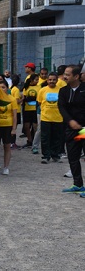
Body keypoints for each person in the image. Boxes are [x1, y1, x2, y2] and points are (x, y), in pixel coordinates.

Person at [58, 65, 85, 195]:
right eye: (64, 74)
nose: (65, 76)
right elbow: (62, 108)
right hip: (71, 128)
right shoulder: (63, 91)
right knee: (73, 157)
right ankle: (78, 184)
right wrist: (70, 121)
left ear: (76, 76)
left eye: (68, 74)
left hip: (84, 129)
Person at [0, 80, 18, 175]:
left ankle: (6, 167)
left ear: (7, 88)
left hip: (7, 126)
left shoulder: (12, 99)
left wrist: (14, 128)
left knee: (7, 147)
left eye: (3, 87)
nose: (2, 89)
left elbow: (15, 115)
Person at [37, 72, 63, 164]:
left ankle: (55, 155)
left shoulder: (61, 90)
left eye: (54, 80)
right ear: (47, 80)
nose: (52, 81)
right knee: (45, 138)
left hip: (58, 118)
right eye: (50, 79)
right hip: (45, 118)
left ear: (57, 80)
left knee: (56, 138)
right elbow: (40, 102)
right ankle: (46, 156)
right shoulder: (42, 90)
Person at [22, 74, 40, 149]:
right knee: (27, 126)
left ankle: (35, 141)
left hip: (35, 109)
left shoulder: (39, 87)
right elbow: (24, 97)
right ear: (32, 80)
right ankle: (29, 140)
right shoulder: (26, 87)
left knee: (35, 126)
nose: (37, 81)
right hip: (27, 109)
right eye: (36, 79)